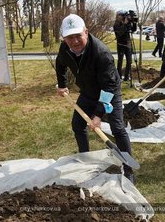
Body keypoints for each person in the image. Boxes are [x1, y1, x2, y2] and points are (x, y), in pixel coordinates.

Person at [55, 14, 135, 182]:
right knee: (78, 124)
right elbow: (60, 63)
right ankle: (86, 159)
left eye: (78, 36)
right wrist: (62, 84)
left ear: (86, 32)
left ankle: (128, 169)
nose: (75, 41)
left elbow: (108, 86)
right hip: (88, 92)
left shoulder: (101, 52)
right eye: (70, 37)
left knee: (117, 128)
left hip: (109, 91)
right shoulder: (65, 48)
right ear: (64, 38)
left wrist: (98, 115)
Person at [113, 11, 133, 81]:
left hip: (128, 44)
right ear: (118, 16)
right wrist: (125, 24)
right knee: (120, 61)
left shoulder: (127, 23)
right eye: (121, 15)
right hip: (121, 45)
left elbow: (133, 30)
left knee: (129, 61)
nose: (122, 17)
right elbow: (120, 33)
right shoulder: (116, 24)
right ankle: (119, 76)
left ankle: (127, 76)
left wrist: (133, 23)